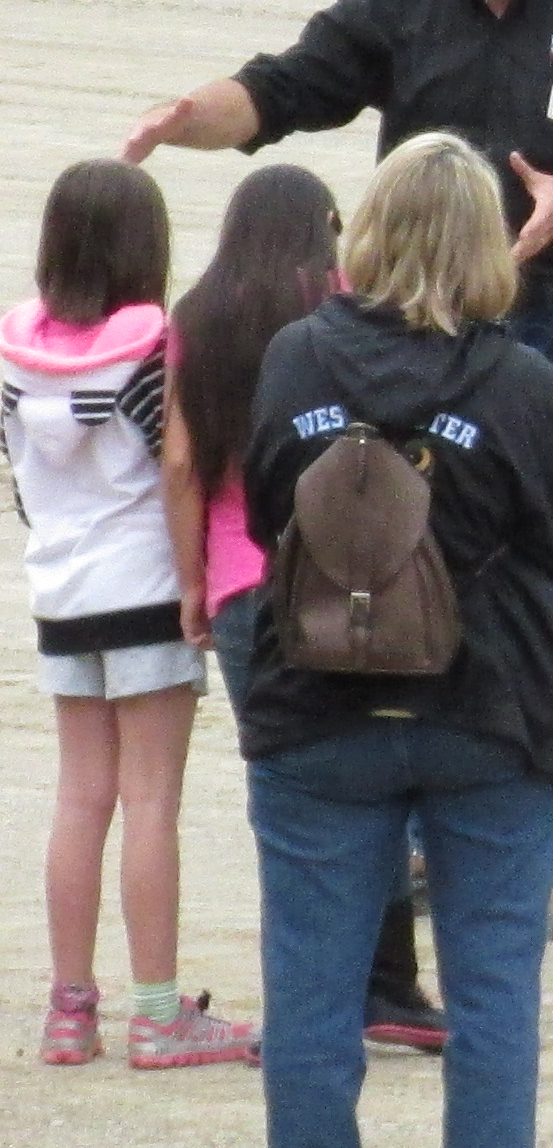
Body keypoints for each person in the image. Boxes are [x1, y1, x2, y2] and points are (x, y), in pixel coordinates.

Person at [124, 0, 553, 941]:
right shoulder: (401, 7)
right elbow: (282, 88)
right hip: (426, 337)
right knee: (413, 563)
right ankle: (441, 828)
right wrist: (186, 120)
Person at [237, 131, 553, 1148]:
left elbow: (269, 510)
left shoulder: (296, 357)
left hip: (316, 701)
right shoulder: (520, 382)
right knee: (491, 1000)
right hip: (490, 706)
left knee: (310, 998)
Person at [170, 166, 445, 1056]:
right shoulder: (345, 305)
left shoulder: (196, 318)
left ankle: (305, 997)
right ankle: (391, 985)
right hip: (343, 574)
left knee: (285, 792)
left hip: (245, 583)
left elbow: (180, 466)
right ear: (327, 231)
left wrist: (191, 584)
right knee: (377, 765)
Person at [10, 158, 258, 1071]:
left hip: (62, 592)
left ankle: (70, 1010)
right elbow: (177, 471)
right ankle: (157, 1014)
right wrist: (195, 581)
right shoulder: (152, 347)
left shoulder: (16, 351)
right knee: (153, 799)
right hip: (146, 589)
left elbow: (27, 483)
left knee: (81, 797)